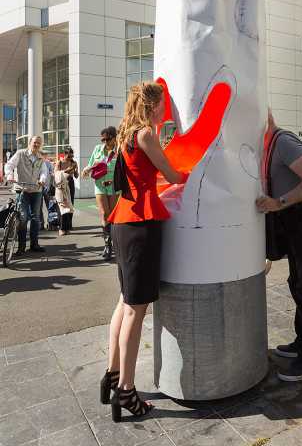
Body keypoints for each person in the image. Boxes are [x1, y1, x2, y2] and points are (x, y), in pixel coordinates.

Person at [100, 82, 187, 421]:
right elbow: (170, 174)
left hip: (124, 220)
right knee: (137, 309)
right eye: (163, 104)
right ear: (152, 106)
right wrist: (191, 174)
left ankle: (112, 374)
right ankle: (126, 390)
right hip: (141, 223)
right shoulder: (145, 135)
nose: (166, 109)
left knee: (125, 301)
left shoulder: (126, 135)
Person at [256, 110, 302, 382]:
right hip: (293, 218)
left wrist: (279, 202)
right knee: (297, 281)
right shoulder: (265, 144)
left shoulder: (283, 141)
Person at [4, 135, 48, 255]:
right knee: (22, 218)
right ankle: (21, 246)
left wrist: (42, 179)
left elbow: (44, 171)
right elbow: (9, 165)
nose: (37, 145)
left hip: (36, 190)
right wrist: (10, 175)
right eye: (35, 142)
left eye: (39, 143)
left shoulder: (40, 157)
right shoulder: (21, 153)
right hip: (21, 189)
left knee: (36, 218)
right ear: (30, 143)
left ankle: (34, 244)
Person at [82, 127, 118, 260]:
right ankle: (107, 246)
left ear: (114, 138)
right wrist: (86, 170)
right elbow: (90, 164)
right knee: (104, 213)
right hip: (100, 185)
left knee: (113, 215)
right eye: (102, 139)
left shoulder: (119, 150)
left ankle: (116, 244)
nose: (104, 142)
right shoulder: (98, 149)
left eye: (107, 139)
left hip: (114, 186)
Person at [55, 147, 78, 235]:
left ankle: (68, 226)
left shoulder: (73, 162)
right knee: (62, 205)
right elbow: (56, 174)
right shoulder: (59, 162)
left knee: (70, 204)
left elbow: (76, 176)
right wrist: (68, 169)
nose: (70, 158)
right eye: (69, 157)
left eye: (72, 156)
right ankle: (61, 228)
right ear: (64, 155)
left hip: (70, 183)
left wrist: (75, 170)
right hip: (61, 184)